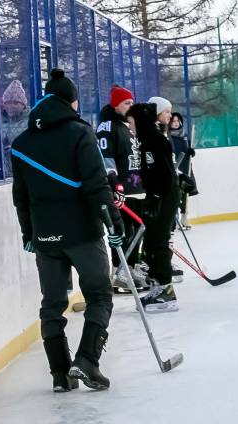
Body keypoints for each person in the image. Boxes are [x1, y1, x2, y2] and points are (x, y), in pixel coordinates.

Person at [10, 69, 123, 391]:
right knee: (100, 294)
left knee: (52, 303)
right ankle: (86, 361)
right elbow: (96, 184)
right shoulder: (79, 132)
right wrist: (113, 225)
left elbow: (21, 196)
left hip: (45, 235)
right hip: (82, 233)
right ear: (71, 101)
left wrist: (28, 234)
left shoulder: (21, 143)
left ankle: (60, 374)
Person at [127, 101, 179, 312]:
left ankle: (166, 292)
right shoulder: (147, 140)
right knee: (151, 242)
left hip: (163, 197)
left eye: (131, 122)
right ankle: (159, 285)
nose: (130, 127)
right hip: (157, 197)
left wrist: (156, 197)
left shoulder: (156, 141)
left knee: (157, 242)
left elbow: (166, 174)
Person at [96, 85, 147, 289]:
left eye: (132, 102)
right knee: (122, 231)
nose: (130, 106)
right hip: (121, 190)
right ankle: (118, 271)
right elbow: (106, 159)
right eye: (127, 103)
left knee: (137, 230)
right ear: (115, 105)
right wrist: (114, 183)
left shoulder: (128, 126)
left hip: (137, 189)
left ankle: (131, 267)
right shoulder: (107, 127)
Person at [169, 111, 198, 228]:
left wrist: (191, 152)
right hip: (175, 168)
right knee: (176, 194)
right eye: (173, 121)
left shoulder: (184, 136)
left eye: (177, 121)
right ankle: (173, 220)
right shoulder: (168, 136)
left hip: (186, 167)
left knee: (186, 193)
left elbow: (188, 152)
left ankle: (184, 217)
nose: (176, 123)